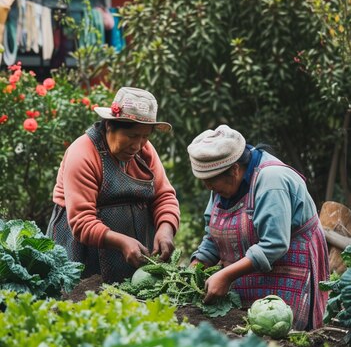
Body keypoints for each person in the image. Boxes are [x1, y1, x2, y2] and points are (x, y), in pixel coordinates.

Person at [187, 124, 330, 330]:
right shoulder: (221, 183)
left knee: (285, 335)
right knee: (249, 332)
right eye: (205, 183)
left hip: (290, 268)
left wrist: (226, 275)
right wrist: (193, 270)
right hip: (251, 274)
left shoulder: (272, 180)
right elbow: (212, 236)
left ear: (234, 170)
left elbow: (274, 244)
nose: (209, 188)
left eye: (211, 182)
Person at [47, 87, 180, 284]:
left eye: (145, 137)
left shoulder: (145, 152)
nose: (138, 145)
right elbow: (82, 221)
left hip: (132, 246)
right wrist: (122, 241)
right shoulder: (82, 154)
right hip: (84, 249)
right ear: (110, 126)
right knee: (83, 302)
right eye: (132, 136)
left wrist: (166, 228)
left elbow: (164, 196)